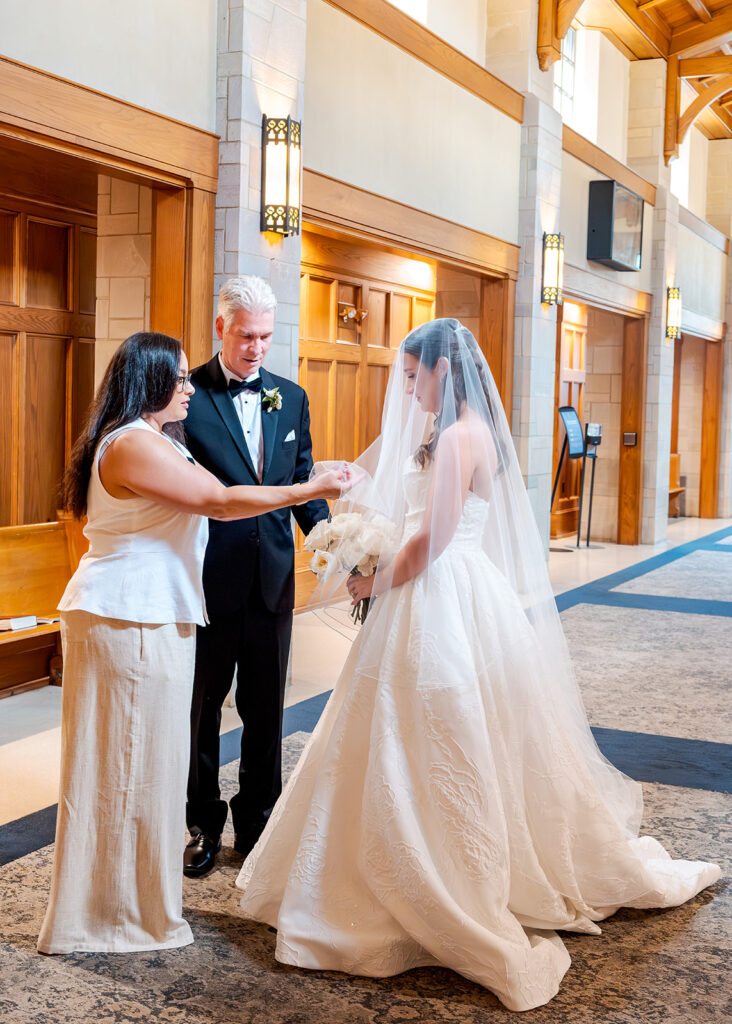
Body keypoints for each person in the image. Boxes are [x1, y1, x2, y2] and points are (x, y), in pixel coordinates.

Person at [235, 319, 720, 1012]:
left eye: (412, 375)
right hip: (431, 589)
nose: (406, 388)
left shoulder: (463, 436)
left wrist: (374, 579)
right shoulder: (444, 431)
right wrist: (365, 531)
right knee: (396, 727)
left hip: (439, 590)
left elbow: (431, 539)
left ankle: (447, 868)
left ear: (441, 369)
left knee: (443, 728)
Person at [37, 331, 348, 955]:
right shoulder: (129, 444)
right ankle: (109, 913)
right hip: (128, 617)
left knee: (149, 765)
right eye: (177, 379)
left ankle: (134, 903)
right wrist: (309, 489)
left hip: (155, 615)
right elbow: (221, 501)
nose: (188, 387)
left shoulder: (156, 439)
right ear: (148, 382)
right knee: (127, 764)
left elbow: (231, 487)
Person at [182, 276, 329, 877]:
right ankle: (201, 825)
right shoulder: (186, 395)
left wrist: (328, 541)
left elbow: (302, 480)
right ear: (221, 327)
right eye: (247, 335)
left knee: (266, 708)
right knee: (202, 710)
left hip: (272, 578)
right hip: (207, 579)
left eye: (266, 336)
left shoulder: (290, 398)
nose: (257, 347)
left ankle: (257, 822)